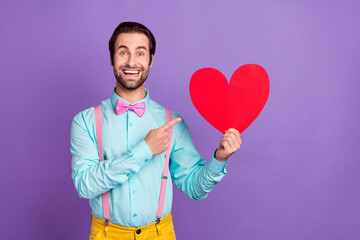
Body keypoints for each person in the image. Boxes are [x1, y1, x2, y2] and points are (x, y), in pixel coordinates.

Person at [70, 21, 242, 240]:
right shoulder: (85, 122)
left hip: (160, 234)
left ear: (151, 60)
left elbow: (195, 189)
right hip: (106, 234)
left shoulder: (171, 121)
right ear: (111, 58)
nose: (132, 61)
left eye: (140, 53)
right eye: (123, 52)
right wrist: (145, 150)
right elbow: (85, 186)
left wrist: (220, 158)